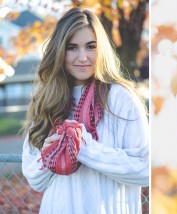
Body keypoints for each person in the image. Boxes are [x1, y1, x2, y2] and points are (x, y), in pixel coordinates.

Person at [21, 7, 149, 213]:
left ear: (102, 49)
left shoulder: (120, 97)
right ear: (60, 51)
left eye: (91, 46)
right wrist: (49, 154)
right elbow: (35, 180)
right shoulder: (48, 100)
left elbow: (145, 169)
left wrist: (83, 148)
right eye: (72, 47)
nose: (83, 57)